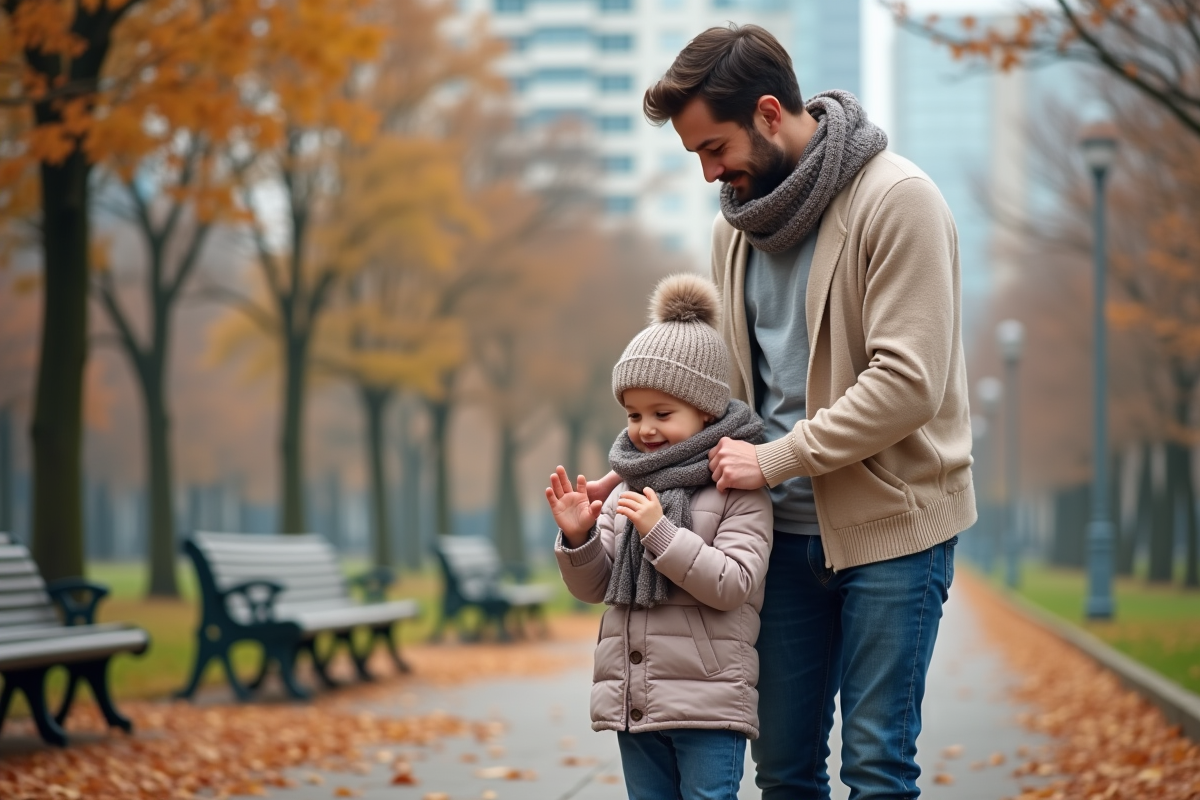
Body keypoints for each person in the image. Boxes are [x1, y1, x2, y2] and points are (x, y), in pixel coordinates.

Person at [589, 23, 975, 799]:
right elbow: (717, 405)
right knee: (786, 770)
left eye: (714, 147)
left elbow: (907, 382)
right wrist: (638, 471)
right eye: (696, 154)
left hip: (891, 530)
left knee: (875, 765)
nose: (708, 173)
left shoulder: (898, 203)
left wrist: (775, 460)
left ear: (770, 112)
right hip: (776, 540)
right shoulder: (737, 233)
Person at [546, 273, 774, 800]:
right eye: (633, 414)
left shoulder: (737, 488)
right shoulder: (630, 487)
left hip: (710, 702)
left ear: (707, 411)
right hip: (636, 696)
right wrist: (579, 540)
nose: (644, 429)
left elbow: (733, 584)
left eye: (662, 414)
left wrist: (662, 534)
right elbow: (596, 587)